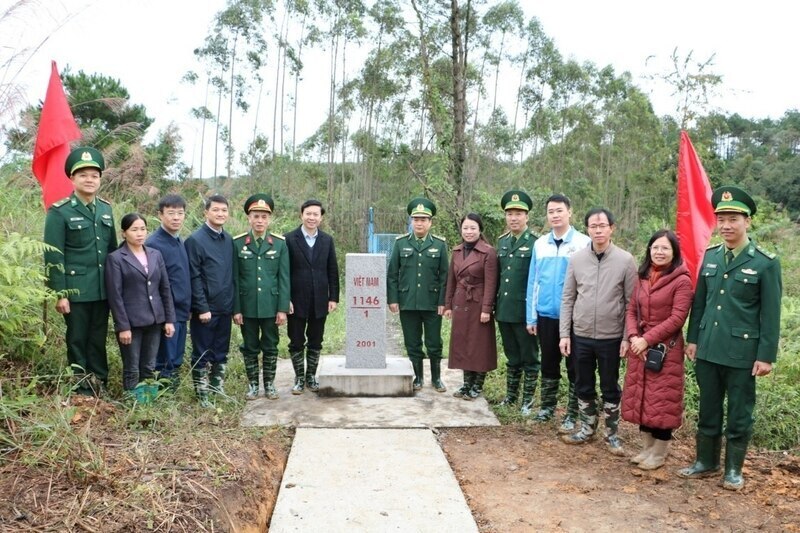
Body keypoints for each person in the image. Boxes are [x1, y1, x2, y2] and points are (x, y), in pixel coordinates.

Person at [678, 186, 782, 491]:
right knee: (708, 407)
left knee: (739, 412)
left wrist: (766, 355)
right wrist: (693, 339)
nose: (726, 225)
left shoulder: (765, 262)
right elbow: (700, 305)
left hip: (742, 352)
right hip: (708, 348)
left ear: (747, 221)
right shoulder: (710, 257)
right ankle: (705, 461)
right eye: (721, 218)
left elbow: (770, 314)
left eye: (733, 218)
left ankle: (733, 469)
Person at [559, 207, 636, 454]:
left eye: (603, 225)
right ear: (587, 229)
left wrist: (627, 337)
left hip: (611, 336)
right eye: (593, 226)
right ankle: (586, 427)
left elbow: (631, 303)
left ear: (612, 228)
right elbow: (568, 298)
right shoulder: (577, 259)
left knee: (610, 385)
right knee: (583, 383)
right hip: (580, 334)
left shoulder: (625, 260)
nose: (598, 230)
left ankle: (612, 433)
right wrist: (564, 334)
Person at [43, 147, 116, 395]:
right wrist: (60, 293)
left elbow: (113, 251)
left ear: (100, 179)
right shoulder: (60, 211)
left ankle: (100, 383)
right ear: (72, 179)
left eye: (94, 175)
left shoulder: (106, 209)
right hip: (75, 289)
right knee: (77, 338)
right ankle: (82, 386)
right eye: (83, 175)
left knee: (98, 338)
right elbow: (53, 254)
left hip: (102, 288)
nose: (89, 179)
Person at [621, 230, 693, 470]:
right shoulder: (642, 277)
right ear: (649, 250)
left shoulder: (681, 280)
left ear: (674, 252)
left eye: (665, 248)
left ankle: (659, 454)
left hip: (664, 350)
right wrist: (633, 337)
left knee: (662, 402)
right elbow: (632, 309)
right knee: (643, 399)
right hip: (639, 346)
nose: (659, 252)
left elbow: (678, 317)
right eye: (655, 247)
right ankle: (646, 449)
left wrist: (647, 339)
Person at [526, 194, 590, 431]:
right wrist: (531, 316)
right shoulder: (540, 244)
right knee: (549, 363)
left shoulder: (583, 243)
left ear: (569, 212)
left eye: (559, 210)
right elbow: (533, 281)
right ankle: (547, 408)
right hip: (546, 314)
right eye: (551, 211)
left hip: (574, 317)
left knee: (574, 365)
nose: (555, 215)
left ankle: (573, 413)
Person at [105, 213, 176, 393]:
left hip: (154, 320)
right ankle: (132, 406)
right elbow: (115, 296)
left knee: (149, 366)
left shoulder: (155, 254)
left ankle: (147, 403)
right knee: (132, 368)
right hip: (131, 323)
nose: (139, 234)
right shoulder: (116, 258)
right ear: (124, 233)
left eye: (143, 229)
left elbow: (164, 288)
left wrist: (169, 320)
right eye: (134, 229)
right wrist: (123, 327)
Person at [387, 197, 449, 392]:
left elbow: (445, 277)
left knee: (433, 343)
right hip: (407, 303)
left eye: (423, 219)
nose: (419, 223)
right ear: (411, 221)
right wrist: (393, 299)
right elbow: (392, 275)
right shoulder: (400, 243)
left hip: (432, 304)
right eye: (416, 219)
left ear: (430, 222)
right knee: (412, 342)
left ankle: (437, 378)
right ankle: (418, 378)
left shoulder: (439, 245)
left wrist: (443, 302)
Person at [233, 194, 290, 400]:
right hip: (247, 306)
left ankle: (269, 384)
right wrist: (236, 309)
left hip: (271, 305)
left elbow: (284, 278)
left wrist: (282, 308)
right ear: (249, 218)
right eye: (256, 216)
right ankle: (253, 385)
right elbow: (235, 279)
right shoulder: (238, 243)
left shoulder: (280, 244)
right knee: (249, 346)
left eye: (264, 217)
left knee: (270, 345)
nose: (260, 221)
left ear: (269, 219)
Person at [284, 199, 339, 394]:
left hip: (319, 300)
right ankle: (299, 378)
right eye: (308, 213)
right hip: (295, 300)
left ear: (321, 217)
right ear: (301, 215)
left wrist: (333, 297)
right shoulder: (289, 239)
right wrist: (285, 299)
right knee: (296, 340)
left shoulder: (327, 240)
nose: (312, 217)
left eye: (316, 214)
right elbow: (283, 272)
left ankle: (311, 377)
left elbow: (332, 270)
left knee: (316, 340)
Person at [185, 194, 235, 407]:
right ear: (206, 212)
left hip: (225, 306)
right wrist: (201, 307)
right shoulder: (195, 240)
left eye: (224, 210)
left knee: (221, 349)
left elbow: (232, 275)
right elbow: (194, 277)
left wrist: (234, 306)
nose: (220, 214)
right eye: (216, 210)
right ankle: (202, 392)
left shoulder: (229, 239)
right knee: (202, 349)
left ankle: (217, 386)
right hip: (205, 309)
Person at [495, 190, 540, 415]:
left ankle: (527, 401)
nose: (514, 218)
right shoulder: (502, 242)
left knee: (529, 357)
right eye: (510, 213)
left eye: (518, 213)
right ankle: (511, 397)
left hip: (525, 311)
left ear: (527, 216)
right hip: (504, 309)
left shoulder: (536, 243)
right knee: (512, 356)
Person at [444, 213, 498, 400]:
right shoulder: (457, 251)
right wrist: (448, 304)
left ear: (480, 230)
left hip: (478, 303)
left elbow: (491, 283)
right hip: (460, 302)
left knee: (479, 346)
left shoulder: (488, 252)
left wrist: (486, 309)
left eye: (473, 228)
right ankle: (466, 385)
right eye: (465, 228)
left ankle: (477, 385)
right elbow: (451, 279)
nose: (469, 231)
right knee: (463, 344)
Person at [145, 194, 191, 389]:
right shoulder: (154, 243)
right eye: (171, 213)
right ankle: (163, 393)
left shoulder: (179, 240)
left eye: (180, 213)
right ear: (160, 215)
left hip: (182, 309)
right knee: (165, 356)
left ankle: (172, 389)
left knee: (177, 354)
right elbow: (153, 284)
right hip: (166, 312)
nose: (176, 218)